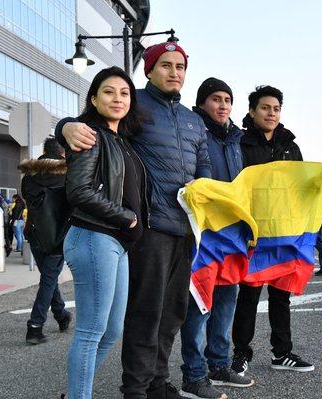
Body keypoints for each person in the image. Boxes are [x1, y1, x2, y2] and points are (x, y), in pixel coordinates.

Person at [56, 42, 211, 399]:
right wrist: (64, 127)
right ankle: (136, 389)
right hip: (146, 229)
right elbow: (92, 126)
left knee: (172, 313)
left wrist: (201, 183)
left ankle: (157, 383)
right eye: (166, 65)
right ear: (150, 70)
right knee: (143, 315)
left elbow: (204, 164)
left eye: (180, 67)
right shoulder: (135, 106)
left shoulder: (192, 119)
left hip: (185, 228)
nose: (175, 72)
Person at [62, 66, 146, 398]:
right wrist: (127, 218)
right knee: (90, 331)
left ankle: (74, 392)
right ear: (94, 98)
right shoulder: (91, 134)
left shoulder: (120, 139)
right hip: (95, 235)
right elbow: (79, 191)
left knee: (111, 331)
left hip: (115, 242)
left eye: (124, 93)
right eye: (109, 91)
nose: (118, 98)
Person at [231, 85, 315, 377]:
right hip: (254, 233)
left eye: (276, 109)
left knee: (282, 295)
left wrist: (321, 178)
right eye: (265, 108)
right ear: (252, 111)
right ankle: (241, 353)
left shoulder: (290, 146)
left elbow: (302, 186)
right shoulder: (240, 143)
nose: (271, 113)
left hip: (285, 233)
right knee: (249, 295)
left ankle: (282, 353)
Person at [179, 78, 254, 399]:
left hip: (232, 231)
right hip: (204, 231)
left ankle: (218, 365)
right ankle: (193, 375)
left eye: (227, 100)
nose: (223, 105)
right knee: (199, 302)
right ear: (202, 103)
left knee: (226, 300)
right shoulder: (193, 131)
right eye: (216, 99)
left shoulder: (236, 139)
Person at [19, 137, 72, 345]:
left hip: (34, 232)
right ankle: (35, 326)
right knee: (49, 279)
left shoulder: (29, 177)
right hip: (57, 235)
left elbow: (27, 199)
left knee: (49, 278)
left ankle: (61, 314)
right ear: (62, 154)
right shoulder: (68, 174)